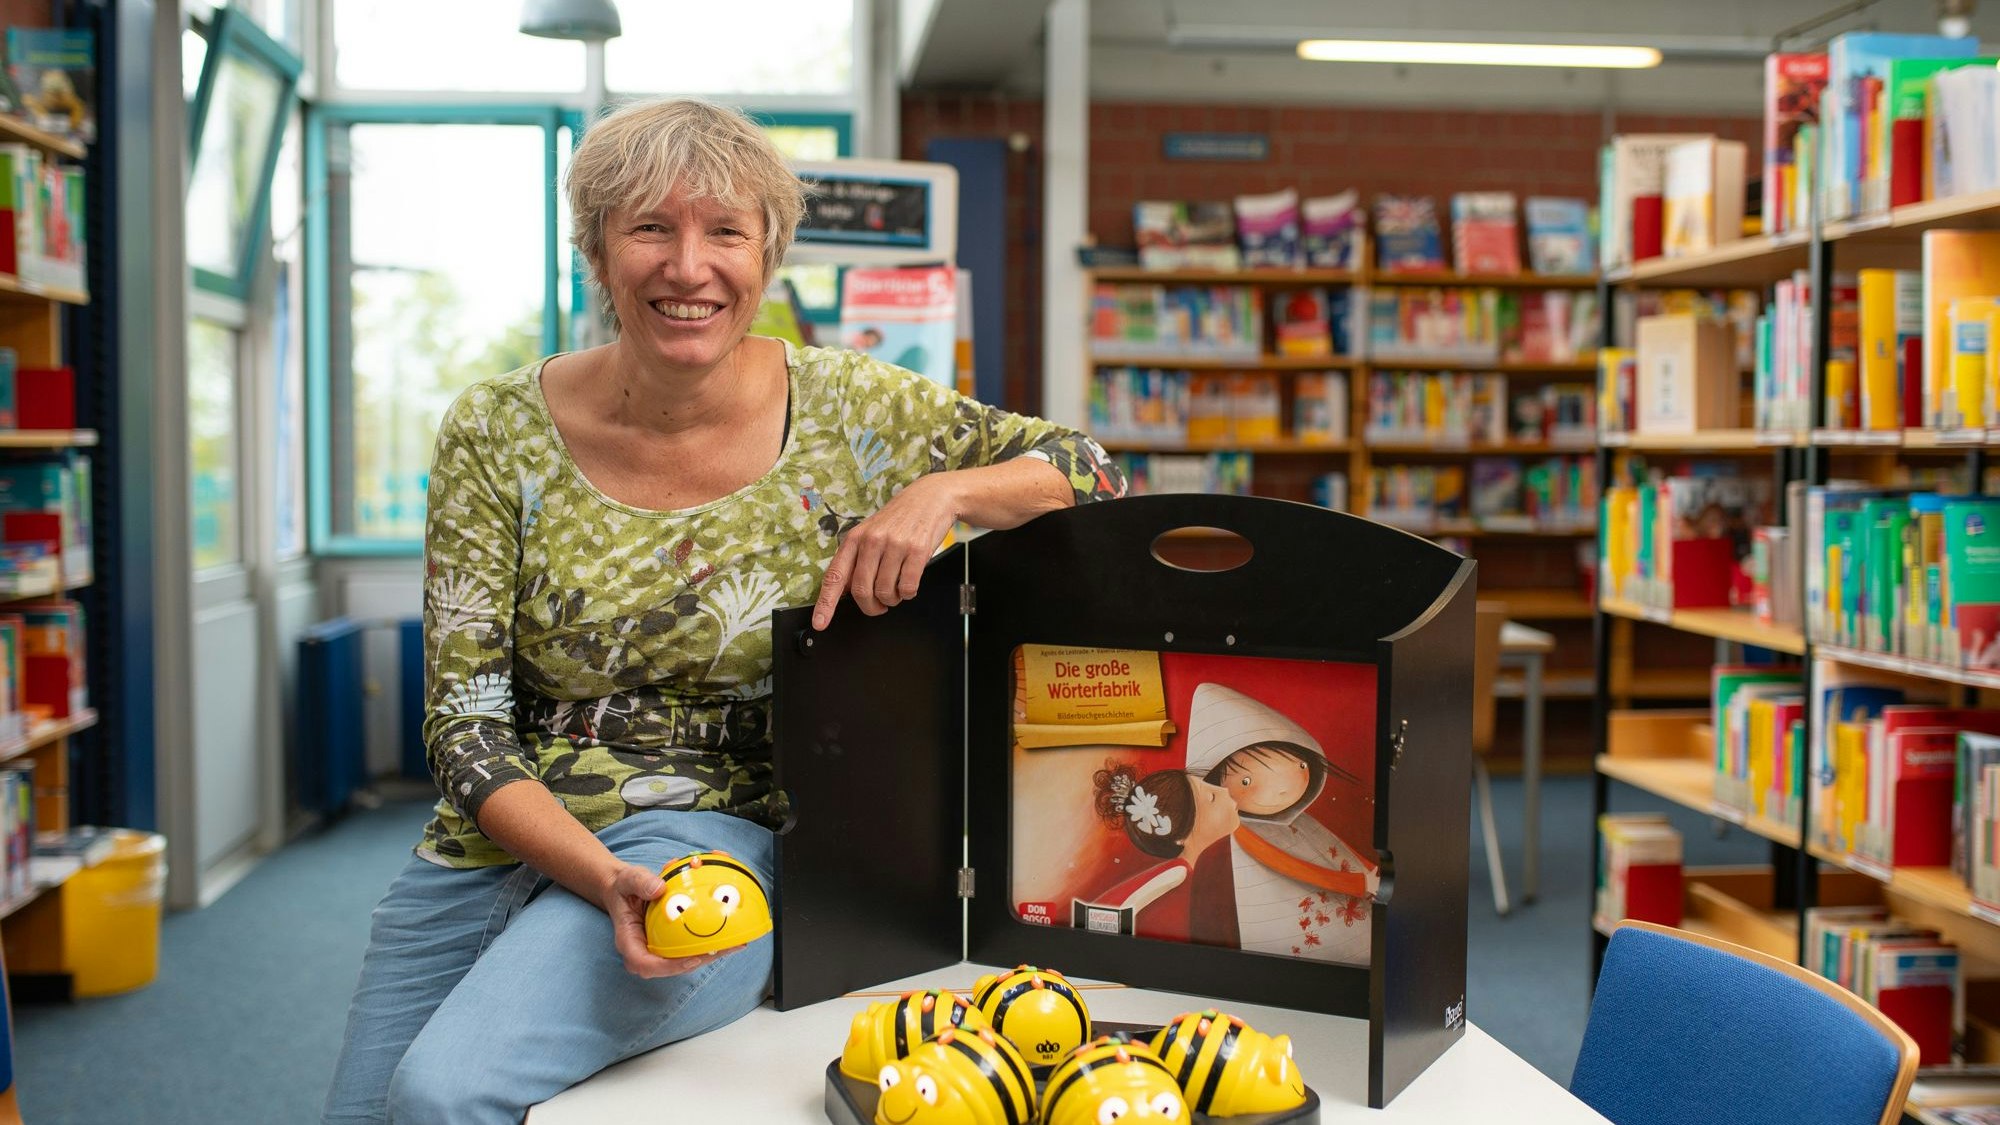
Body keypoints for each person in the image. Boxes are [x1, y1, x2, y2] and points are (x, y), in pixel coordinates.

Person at [321, 97, 1125, 1125]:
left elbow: (1091, 471)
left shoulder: (858, 409)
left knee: (443, 1095)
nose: (687, 266)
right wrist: (589, 869)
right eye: (650, 228)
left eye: (724, 231)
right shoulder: (494, 429)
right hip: (499, 834)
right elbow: (463, 725)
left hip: (709, 837)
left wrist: (943, 495)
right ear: (600, 252)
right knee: (361, 1114)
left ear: (767, 253)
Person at [1182, 683, 1377, 965]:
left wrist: (1368, 869)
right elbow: (1296, 868)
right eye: (1247, 782)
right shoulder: (1249, 835)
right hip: (1287, 915)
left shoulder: (1301, 821)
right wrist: (1360, 883)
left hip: (1346, 903)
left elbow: (1335, 845)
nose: (1282, 792)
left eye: (1298, 766)